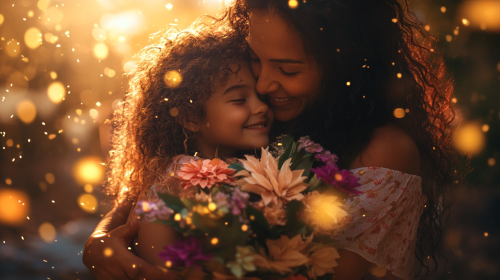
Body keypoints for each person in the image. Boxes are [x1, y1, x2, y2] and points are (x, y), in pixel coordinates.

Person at [84, 0, 458, 279]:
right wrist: (99, 241)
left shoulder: (383, 149)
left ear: (347, 64)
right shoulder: (266, 118)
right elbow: (146, 195)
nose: (262, 85)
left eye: (288, 69)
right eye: (255, 60)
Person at [82, 19, 273, 278]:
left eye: (262, 97)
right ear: (191, 117)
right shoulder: (175, 180)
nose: (261, 107)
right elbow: (157, 265)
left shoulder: (251, 163)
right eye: (239, 99)